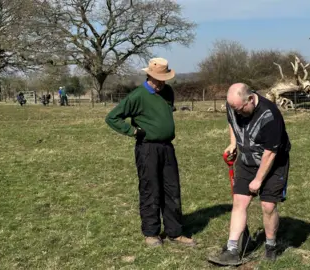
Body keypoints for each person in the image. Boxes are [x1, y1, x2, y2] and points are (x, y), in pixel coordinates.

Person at [105, 57, 196, 248]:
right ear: (149, 75)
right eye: (157, 79)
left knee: (172, 189)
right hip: (147, 149)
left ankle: (175, 232)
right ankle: (151, 233)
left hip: (167, 148)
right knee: (150, 189)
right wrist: (133, 131)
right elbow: (112, 117)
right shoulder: (137, 96)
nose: (160, 83)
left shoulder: (168, 92)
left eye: (163, 79)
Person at [210, 83, 291, 265]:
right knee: (240, 201)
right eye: (234, 109)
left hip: (273, 162)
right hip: (247, 160)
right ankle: (232, 249)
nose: (237, 113)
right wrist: (233, 143)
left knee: (268, 206)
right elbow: (232, 121)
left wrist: (258, 179)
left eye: (240, 109)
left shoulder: (270, 115)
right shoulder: (234, 106)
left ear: (250, 99)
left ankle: (271, 246)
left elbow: (270, 153)